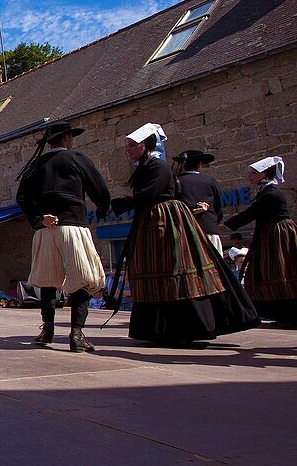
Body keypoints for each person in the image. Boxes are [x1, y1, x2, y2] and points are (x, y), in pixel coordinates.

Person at [111, 123, 258, 344]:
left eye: (132, 145)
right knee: (157, 269)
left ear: (145, 144)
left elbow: (150, 194)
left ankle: (187, 326)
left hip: (165, 219)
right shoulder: (145, 166)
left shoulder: (158, 166)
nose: (128, 150)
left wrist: (120, 203)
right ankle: (159, 328)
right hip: (150, 218)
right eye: (127, 146)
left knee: (176, 267)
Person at [15, 120, 111, 352]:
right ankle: (76, 333)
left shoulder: (35, 165)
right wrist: (101, 208)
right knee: (83, 279)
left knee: (48, 280)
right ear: (68, 138)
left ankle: (48, 327)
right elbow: (100, 190)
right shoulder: (76, 159)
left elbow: (23, 198)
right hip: (72, 227)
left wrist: (40, 218)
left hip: (44, 231)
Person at [223, 157, 296, 324]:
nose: (250, 177)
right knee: (268, 270)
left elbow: (251, 213)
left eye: (254, 173)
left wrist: (226, 226)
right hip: (268, 232)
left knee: (280, 269)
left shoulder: (271, 193)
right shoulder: (265, 192)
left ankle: (288, 312)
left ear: (265, 173)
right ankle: (279, 312)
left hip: (277, 234)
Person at [174, 150, 225, 252]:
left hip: (186, 230)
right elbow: (218, 207)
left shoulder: (176, 182)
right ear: (199, 164)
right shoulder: (209, 181)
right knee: (215, 265)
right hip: (208, 228)